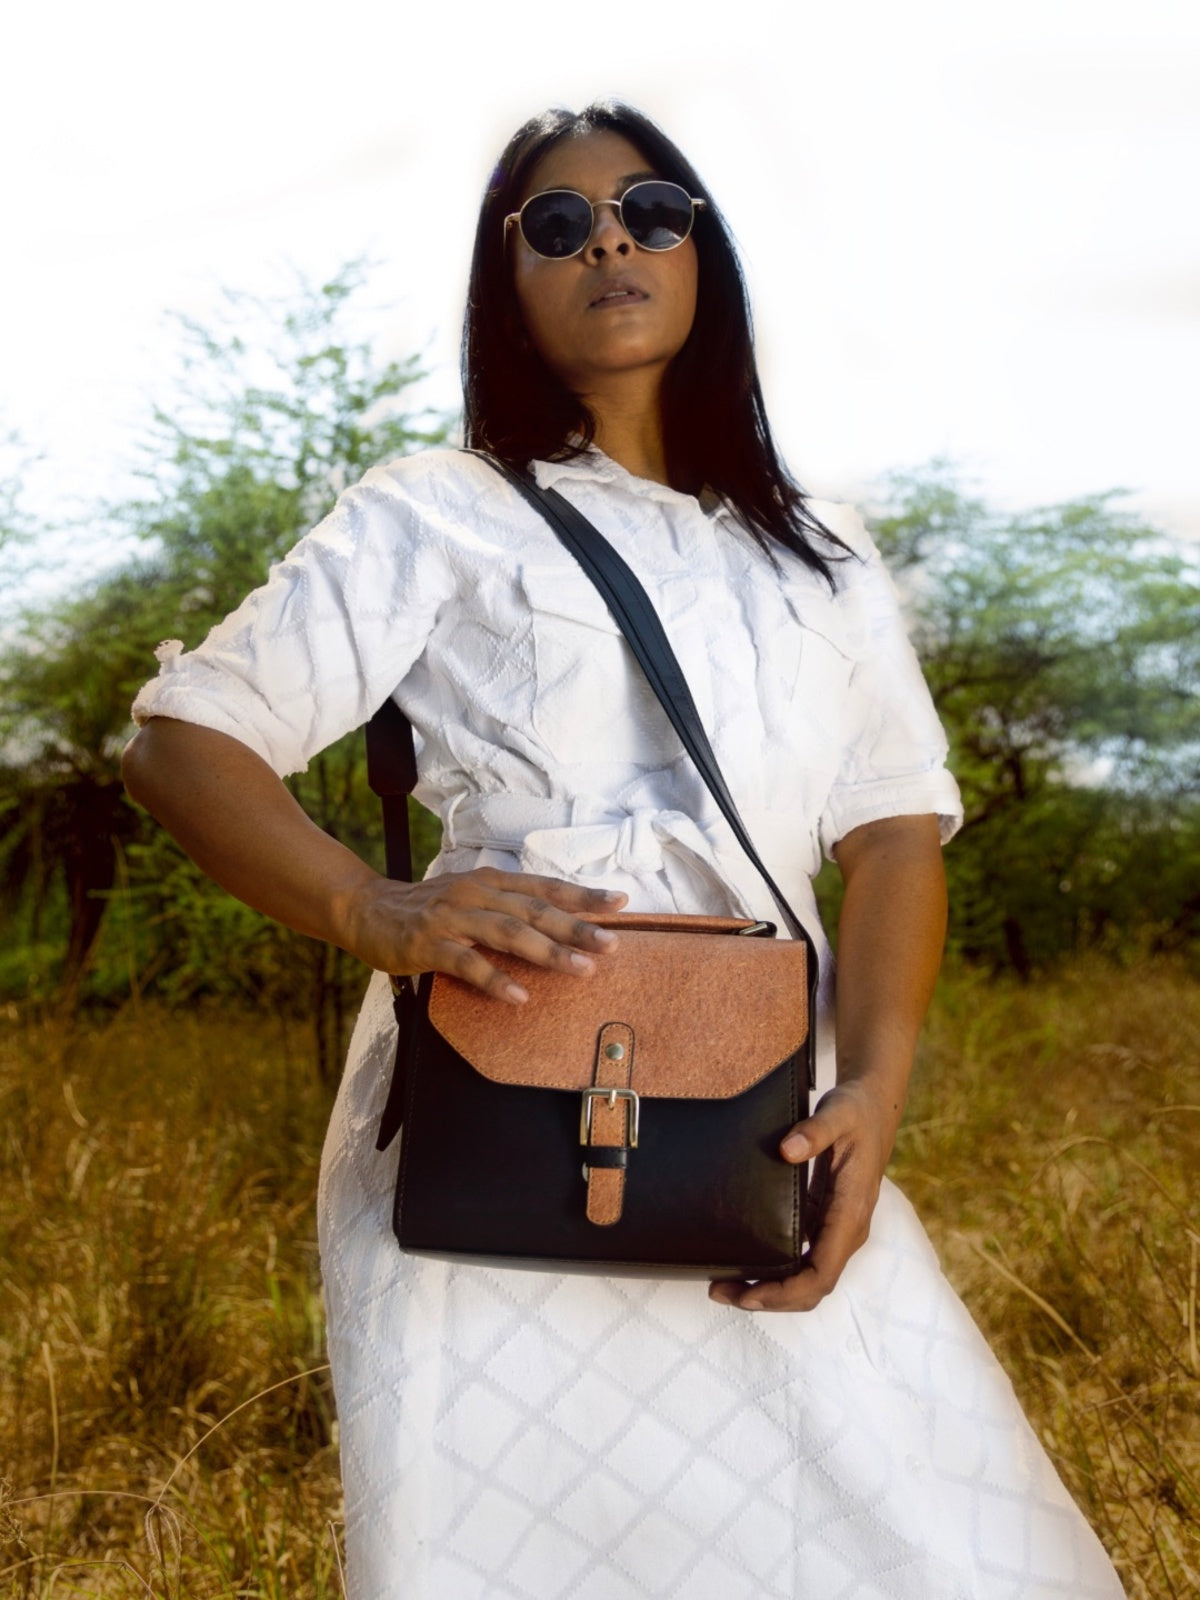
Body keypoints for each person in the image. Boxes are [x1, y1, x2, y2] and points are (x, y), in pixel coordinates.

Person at [122, 102, 1124, 1600]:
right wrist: (373, 907)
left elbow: (895, 831)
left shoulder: (822, 553)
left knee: (911, 1532)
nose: (610, 241)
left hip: (763, 1115)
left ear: (701, 249)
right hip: (495, 1116)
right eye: (559, 223)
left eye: (651, 209)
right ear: (507, 280)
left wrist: (877, 1088)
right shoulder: (435, 513)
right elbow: (183, 740)